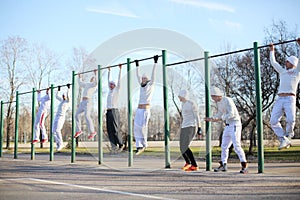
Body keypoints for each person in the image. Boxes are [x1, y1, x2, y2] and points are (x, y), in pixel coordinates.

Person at [205, 86, 248, 174]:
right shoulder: (219, 103)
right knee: (224, 146)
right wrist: (213, 118)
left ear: (217, 95)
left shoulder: (228, 100)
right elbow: (220, 113)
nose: (212, 99)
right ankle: (223, 164)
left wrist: (220, 118)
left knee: (237, 146)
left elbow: (231, 114)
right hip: (228, 125)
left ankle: (244, 166)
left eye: (213, 97)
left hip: (235, 124)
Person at [269, 38, 300, 150]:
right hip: (280, 98)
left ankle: (288, 136)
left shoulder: (297, 72)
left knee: (291, 120)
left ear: (292, 63)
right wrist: (272, 50)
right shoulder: (282, 72)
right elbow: (273, 62)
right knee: (273, 121)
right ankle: (283, 139)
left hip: (290, 98)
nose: (285, 62)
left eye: (287, 61)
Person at [134, 55, 158, 155]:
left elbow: (153, 75)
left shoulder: (150, 85)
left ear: (147, 79)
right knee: (136, 126)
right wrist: (137, 65)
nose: (143, 79)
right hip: (139, 108)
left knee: (143, 126)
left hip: (145, 109)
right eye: (142, 78)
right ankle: (138, 145)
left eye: (144, 78)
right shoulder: (141, 85)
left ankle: (144, 144)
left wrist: (155, 63)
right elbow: (137, 75)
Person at [178, 90, 201, 171]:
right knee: (181, 147)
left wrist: (199, 127)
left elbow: (196, 115)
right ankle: (188, 163)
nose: (179, 98)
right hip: (184, 126)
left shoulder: (191, 103)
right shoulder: (182, 104)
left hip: (191, 126)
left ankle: (194, 165)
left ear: (183, 96)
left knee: (185, 146)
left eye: (179, 96)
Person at [74, 69, 98, 139]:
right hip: (82, 102)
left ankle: (92, 131)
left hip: (88, 101)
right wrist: (79, 77)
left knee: (87, 115)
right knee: (76, 115)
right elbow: (80, 83)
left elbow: (96, 82)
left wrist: (95, 74)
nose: (92, 79)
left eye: (93, 78)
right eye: (92, 78)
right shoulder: (87, 84)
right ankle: (79, 130)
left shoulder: (94, 85)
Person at [106, 64, 124, 153]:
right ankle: (113, 146)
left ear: (115, 85)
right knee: (109, 129)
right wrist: (109, 71)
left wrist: (120, 70)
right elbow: (108, 80)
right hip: (108, 111)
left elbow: (119, 81)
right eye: (110, 84)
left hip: (114, 111)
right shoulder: (109, 91)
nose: (111, 85)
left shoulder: (117, 90)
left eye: (112, 84)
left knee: (115, 129)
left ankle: (120, 143)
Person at [52, 84, 71, 152]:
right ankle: (58, 144)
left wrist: (68, 88)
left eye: (64, 96)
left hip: (61, 117)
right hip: (56, 116)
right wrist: (58, 90)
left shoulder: (67, 102)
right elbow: (56, 96)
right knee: (53, 132)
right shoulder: (61, 101)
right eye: (63, 96)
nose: (63, 97)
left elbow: (68, 95)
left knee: (57, 130)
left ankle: (61, 144)